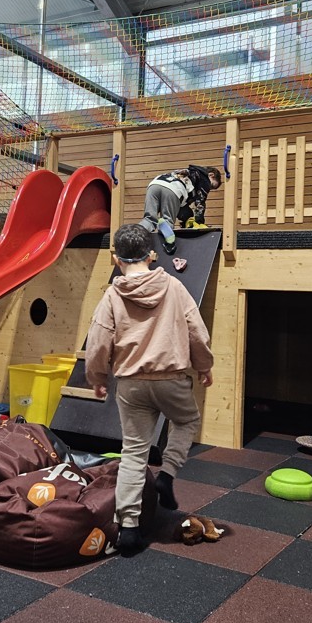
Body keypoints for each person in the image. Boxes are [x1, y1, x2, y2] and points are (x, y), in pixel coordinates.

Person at [85, 223, 214, 556]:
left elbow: (98, 340)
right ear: (152, 255)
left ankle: (128, 529)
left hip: (131, 384)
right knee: (186, 421)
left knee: (133, 452)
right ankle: (167, 475)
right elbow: (196, 331)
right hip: (172, 379)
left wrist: (97, 377)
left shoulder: (113, 295)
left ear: (116, 258)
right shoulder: (174, 287)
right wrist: (204, 365)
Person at [140, 165, 222, 254]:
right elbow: (200, 203)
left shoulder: (190, 171)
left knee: (149, 219)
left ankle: (135, 236)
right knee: (167, 220)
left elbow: (182, 207)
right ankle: (169, 244)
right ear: (211, 175)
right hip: (173, 189)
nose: (210, 188)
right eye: (212, 186)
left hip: (155, 184)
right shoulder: (204, 178)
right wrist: (199, 222)